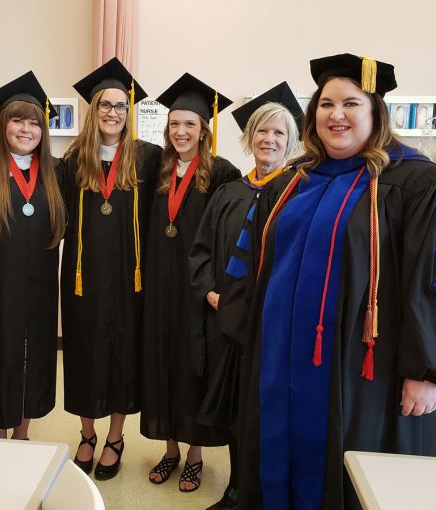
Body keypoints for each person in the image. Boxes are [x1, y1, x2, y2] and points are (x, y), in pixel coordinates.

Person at [219, 53, 436, 509]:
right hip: (279, 363)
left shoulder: (415, 182)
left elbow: (433, 278)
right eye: (325, 104)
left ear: (375, 111)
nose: (336, 115)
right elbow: (250, 266)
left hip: (364, 373)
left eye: (350, 103)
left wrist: (427, 371)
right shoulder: (289, 182)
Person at [189, 81, 303, 510]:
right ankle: (237, 489)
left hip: (274, 328)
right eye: (261, 131)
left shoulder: (299, 194)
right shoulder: (228, 193)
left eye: (278, 133)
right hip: (229, 322)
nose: (269, 140)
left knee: (266, 411)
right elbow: (199, 251)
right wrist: (211, 293)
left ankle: (264, 493)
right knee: (236, 412)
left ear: (291, 141)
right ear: (248, 138)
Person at [61, 57, 162, 480]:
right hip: (83, 279)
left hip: (129, 279)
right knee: (83, 353)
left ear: (129, 111)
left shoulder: (148, 158)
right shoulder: (71, 161)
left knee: (123, 355)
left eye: (121, 106)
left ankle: (115, 438)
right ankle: (86, 434)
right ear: (93, 109)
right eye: (105, 104)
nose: (113, 112)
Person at [140, 73, 240, 493]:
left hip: (196, 292)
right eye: (175, 124)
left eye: (190, 125)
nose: (181, 132)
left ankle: (195, 456)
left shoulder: (221, 173)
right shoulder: (156, 169)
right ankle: (169, 451)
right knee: (162, 366)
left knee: (192, 370)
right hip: (159, 290)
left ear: (204, 131)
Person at [0, 72, 66, 440]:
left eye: (34, 122)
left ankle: (22, 436)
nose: (26, 129)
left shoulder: (55, 172)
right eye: (17, 120)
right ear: (3, 123)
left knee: (34, 359)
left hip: (39, 289)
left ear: (43, 128)